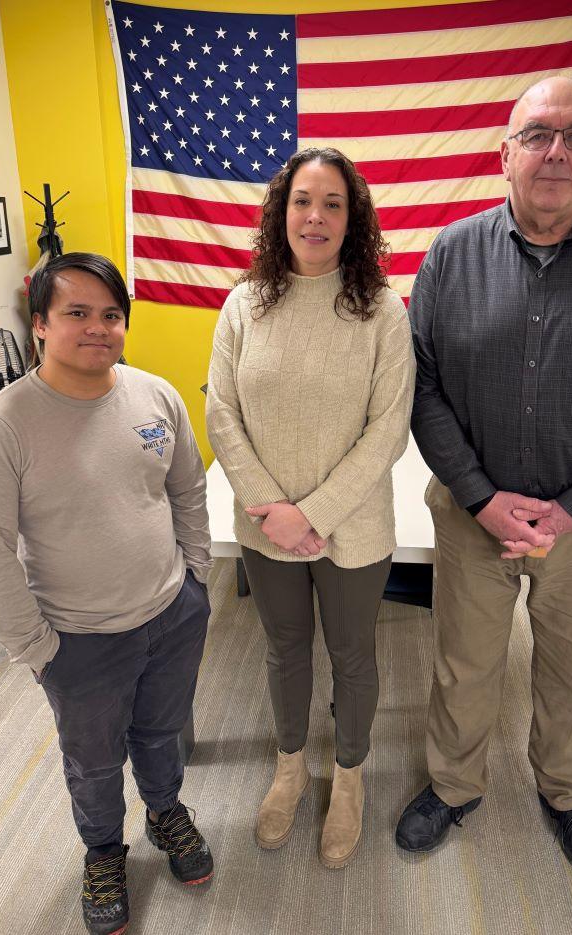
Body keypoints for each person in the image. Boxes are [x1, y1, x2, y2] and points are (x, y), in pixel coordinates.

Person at [395, 76, 572, 876]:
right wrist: (481, 498)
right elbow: (423, 381)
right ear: (506, 152)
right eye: (538, 134)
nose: (557, 150)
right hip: (470, 513)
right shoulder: (452, 252)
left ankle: (568, 791)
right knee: (465, 661)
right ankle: (452, 785)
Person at [0, 253, 214, 934]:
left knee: (161, 733)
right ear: (40, 325)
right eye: (76, 313)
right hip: (76, 641)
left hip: (171, 615)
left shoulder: (155, 396)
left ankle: (166, 812)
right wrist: (37, 649)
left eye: (111, 314)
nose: (98, 328)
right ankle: (104, 849)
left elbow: (187, 488)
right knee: (95, 758)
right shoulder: (2, 426)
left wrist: (195, 578)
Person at [206, 147, 415, 869]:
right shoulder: (244, 303)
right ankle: (290, 766)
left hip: (352, 529)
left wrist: (313, 512)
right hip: (266, 529)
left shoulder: (383, 311)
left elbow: (388, 427)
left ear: (352, 218)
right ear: (281, 212)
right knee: (284, 648)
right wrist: (273, 507)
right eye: (302, 201)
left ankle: (349, 776)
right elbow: (220, 411)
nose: (316, 216)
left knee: (353, 655)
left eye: (332, 203)